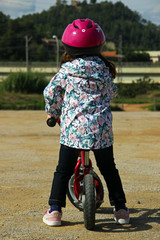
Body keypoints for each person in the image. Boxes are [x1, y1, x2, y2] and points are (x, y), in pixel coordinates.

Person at [43, 18, 129, 226]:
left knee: (63, 170)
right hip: (101, 131)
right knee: (109, 169)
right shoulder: (104, 70)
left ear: (68, 45)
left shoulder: (67, 70)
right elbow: (111, 93)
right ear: (98, 44)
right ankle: (121, 210)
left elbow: (51, 92)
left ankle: (55, 210)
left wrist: (52, 113)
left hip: (73, 131)